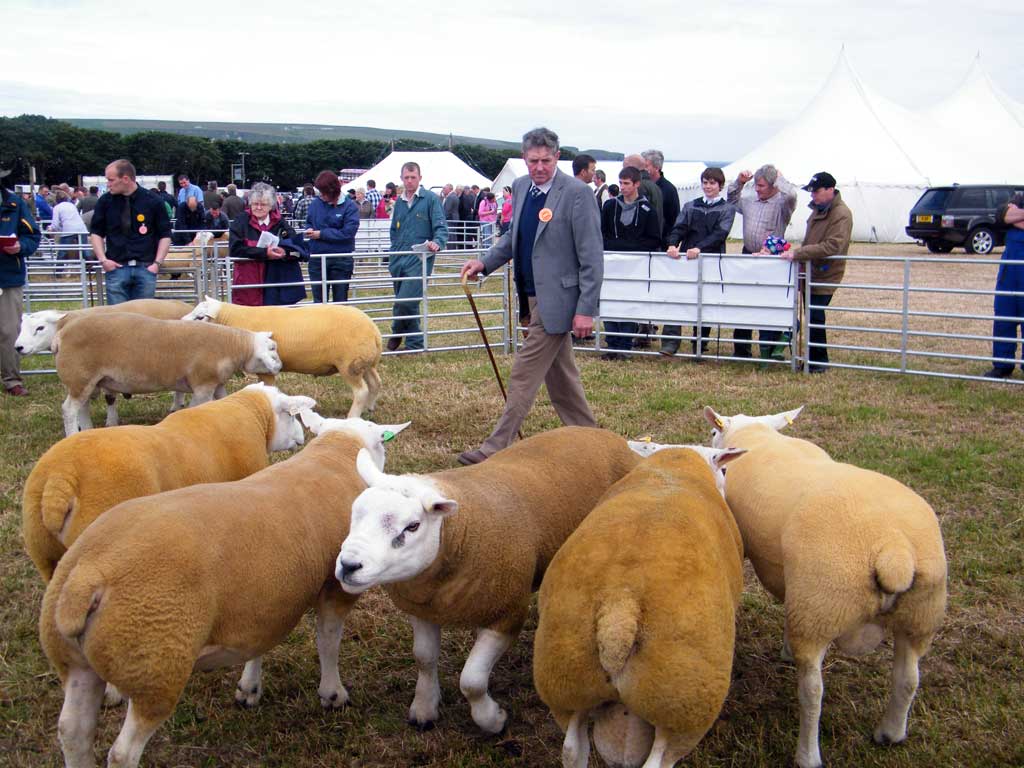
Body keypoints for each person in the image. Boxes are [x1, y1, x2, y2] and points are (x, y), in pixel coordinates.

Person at [457, 127, 602, 465]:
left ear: (557, 157)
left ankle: (495, 448)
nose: (539, 167)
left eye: (546, 160)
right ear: (525, 159)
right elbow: (512, 238)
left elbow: (592, 256)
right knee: (562, 378)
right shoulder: (521, 187)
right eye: (533, 160)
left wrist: (585, 310)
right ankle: (592, 440)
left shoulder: (578, 193)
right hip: (529, 296)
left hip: (559, 301)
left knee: (524, 373)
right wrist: (485, 261)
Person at [727, 164, 800, 359]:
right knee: (743, 302)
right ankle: (741, 348)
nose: (757, 189)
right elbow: (732, 199)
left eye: (761, 185)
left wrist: (780, 179)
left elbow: (793, 195)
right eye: (756, 185)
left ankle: (769, 348)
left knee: (769, 304)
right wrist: (740, 182)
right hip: (748, 255)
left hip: (772, 259)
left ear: (774, 185)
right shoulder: (750, 201)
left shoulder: (783, 204)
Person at [782, 171, 852, 373]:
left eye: (817, 191)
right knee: (811, 316)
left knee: (815, 316)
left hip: (825, 272)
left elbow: (833, 246)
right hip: (811, 271)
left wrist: (800, 254)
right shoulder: (819, 210)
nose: (813, 195)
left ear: (830, 190)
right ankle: (812, 358)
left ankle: (819, 360)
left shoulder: (841, 214)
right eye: (811, 192)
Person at [661, 167, 736, 357]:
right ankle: (670, 342)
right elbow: (679, 227)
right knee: (677, 298)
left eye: (712, 183)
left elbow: (720, 233)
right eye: (705, 182)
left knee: (706, 302)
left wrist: (700, 248)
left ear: (720, 185)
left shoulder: (726, 209)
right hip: (687, 260)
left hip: (710, 260)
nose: (708, 186)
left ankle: (700, 342)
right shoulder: (690, 205)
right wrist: (672, 244)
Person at [600, 166, 662, 360]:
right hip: (611, 265)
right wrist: (621, 246)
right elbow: (602, 234)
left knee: (628, 305)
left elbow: (653, 239)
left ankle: (625, 344)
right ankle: (612, 344)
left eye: (626, 183)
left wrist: (626, 247)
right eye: (620, 183)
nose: (623, 187)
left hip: (635, 267)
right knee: (609, 304)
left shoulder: (647, 210)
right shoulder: (610, 207)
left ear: (636, 184)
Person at [89, 159, 172, 305]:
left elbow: (165, 235)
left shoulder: (153, 201)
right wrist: (103, 260)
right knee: (118, 318)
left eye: (111, 180)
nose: (108, 184)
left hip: (145, 268)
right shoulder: (105, 202)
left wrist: (157, 264)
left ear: (125, 179)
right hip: (116, 267)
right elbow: (96, 233)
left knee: (144, 319)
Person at [387, 162, 448, 351]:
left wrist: (437, 242)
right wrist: (394, 252)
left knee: (405, 300)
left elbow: (441, 226)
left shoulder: (430, 199)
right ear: (401, 179)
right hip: (399, 257)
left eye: (413, 177)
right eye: (406, 177)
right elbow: (393, 230)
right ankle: (414, 343)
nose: (410, 181)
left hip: (419, 258)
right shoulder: (399, 202)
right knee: (408, 302)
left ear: (420, 178)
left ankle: (397, 331)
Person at [228, 181, 306, 306]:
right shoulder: (240, 221)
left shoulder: (280, 222)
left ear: (271, 205)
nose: (258, 208)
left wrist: (285, 252)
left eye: (263, 204)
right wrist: (264, 253)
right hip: (248, 284)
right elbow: (235, 249)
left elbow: (299, 249)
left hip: (275, 284)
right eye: (255, 204)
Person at [0, 168, 42, 396]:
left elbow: (33, 235)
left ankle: (11, 379)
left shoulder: (15, 204)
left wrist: (20, 247)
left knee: (9, 330)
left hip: (7, 277)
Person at [983, 194, 1024, 378]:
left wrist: (1016, 217)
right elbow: (1003, 215)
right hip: (1009, 275)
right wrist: (1012, 217)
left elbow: (1011, 218)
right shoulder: (1020, 196)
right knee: (1003, 319)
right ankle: (1002, 365)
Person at [305, 169, 360, 303]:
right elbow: (308, 222)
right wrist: (309, 230)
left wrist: (321, 234)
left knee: (340, 302)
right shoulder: (315, 204)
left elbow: (347, 233)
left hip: (340, 260)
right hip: (317, 260)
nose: (321, 195)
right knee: (319, 302)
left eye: (324, 192)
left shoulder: (350, 207)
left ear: (333, 190)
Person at [643, 149, 680, 247]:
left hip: (661, 243)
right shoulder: (639, 187)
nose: (643, 169)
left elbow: (674, 219)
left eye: (646, 166)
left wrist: (667, 242)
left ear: (657, 167)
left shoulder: (669, 189)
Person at [48, 188, 89, 275]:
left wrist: (51, 228)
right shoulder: (72, 205)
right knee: (85, 250)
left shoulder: (57, 207)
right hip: (81, 228)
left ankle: (58, 272)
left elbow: (55, 224)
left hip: (69, 229)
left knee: (63, 251)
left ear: (57, 199)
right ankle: (92, 268)